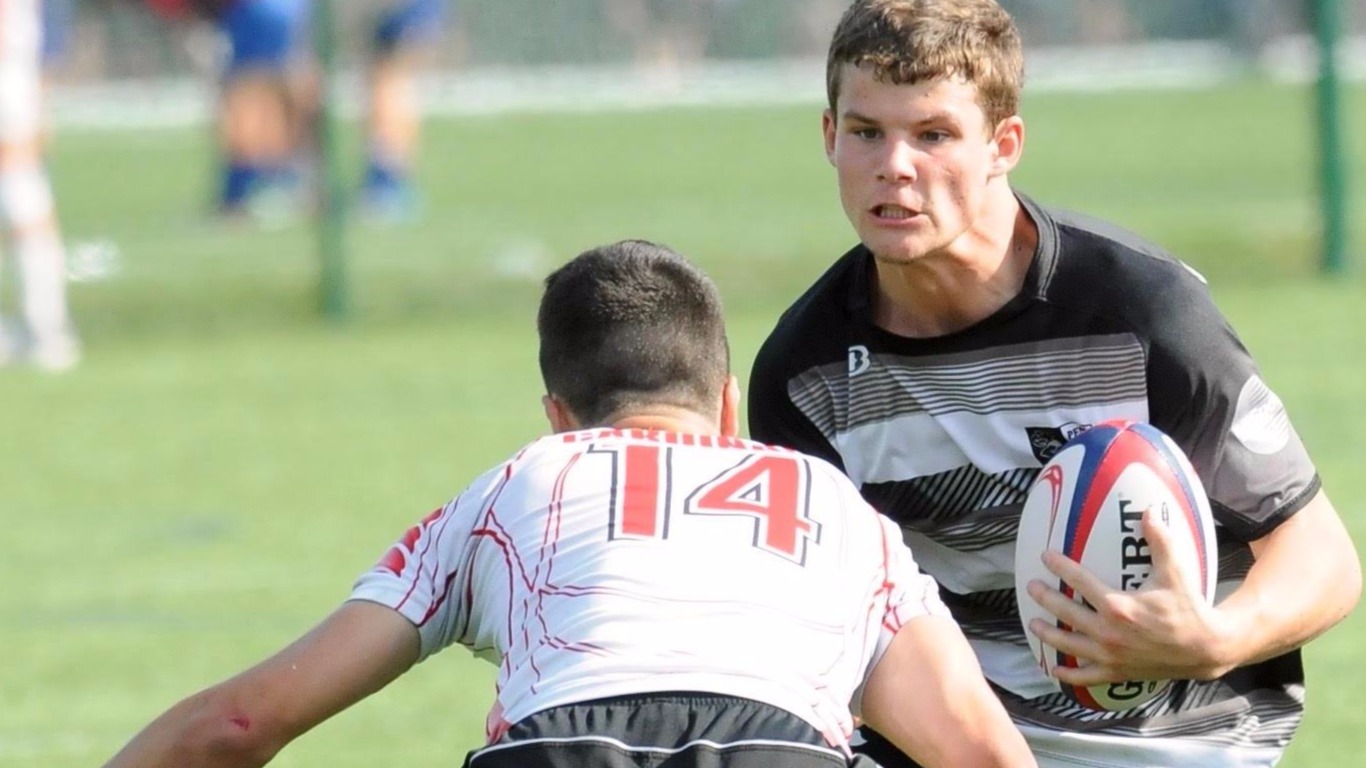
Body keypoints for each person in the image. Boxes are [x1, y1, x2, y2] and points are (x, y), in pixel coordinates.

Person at [101, 240, 1035, 768]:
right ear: (727, 406)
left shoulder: (521, 482)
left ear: (559, 419)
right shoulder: (835, 507)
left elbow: (238, 725)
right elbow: (982, 756)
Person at [746, 2, 1362, 767]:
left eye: (933, 135)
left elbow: (1323, 558)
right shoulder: (806, 373)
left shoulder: (1140, 314)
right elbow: (814, 623)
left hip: (1179, 744)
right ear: (831, 137)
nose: (895, 165)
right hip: (951, 744)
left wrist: (1213, 639)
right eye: (868, 132)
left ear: (1003, 145)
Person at [0, 0, 81, 371]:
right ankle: (45, 328)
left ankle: (47, 329)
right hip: (16, 70)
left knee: (21, 191)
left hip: (10, 72)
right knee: (21, 192)